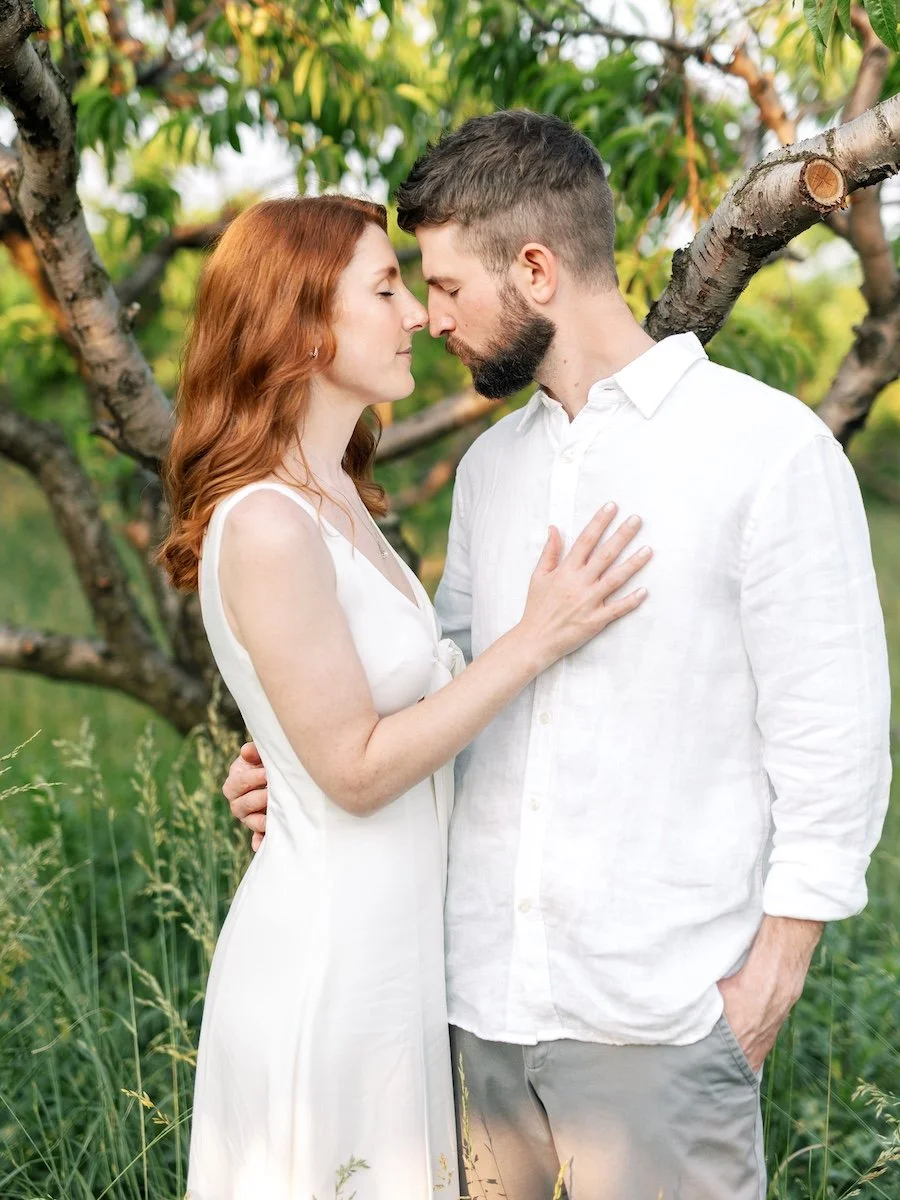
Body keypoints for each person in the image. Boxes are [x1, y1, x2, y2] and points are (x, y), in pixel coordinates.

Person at [224, 111, 892, 1200]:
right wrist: (302, 764)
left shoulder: (766, 451)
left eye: (443, 286)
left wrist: (769, 980)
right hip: (475, 1015)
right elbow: (446, 680)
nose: (431, 320)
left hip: (658, 1025)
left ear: (533, 269)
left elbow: (837, 738)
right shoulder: (493, 469)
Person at [158, 192, 650, 1200]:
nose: (419, 314)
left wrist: (281, 770)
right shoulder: (265, 524)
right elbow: (355, 769)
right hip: (330, 969)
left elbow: (343, 734)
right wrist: (536, 639)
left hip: (395, 962)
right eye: (386, 289)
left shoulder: (337, 496)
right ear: (301, 325)